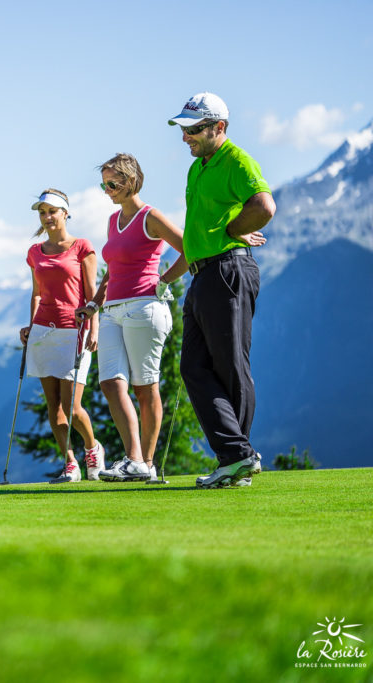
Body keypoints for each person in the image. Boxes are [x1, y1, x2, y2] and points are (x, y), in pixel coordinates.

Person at [166, 92, 275, 488]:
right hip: (203, 275)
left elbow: (264, 205)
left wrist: (234, 230)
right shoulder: (198, 168)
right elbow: (201, 229)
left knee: (230, 366)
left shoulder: (237, 160)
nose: (186, 138)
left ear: (219, 128)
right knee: (193, 367)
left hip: (228, 270)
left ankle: (235, 459)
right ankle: (236, 457)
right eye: (184, 130)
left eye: (193, 130)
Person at [74, 154, 188, 482]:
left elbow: (188, 247)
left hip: (145, 309)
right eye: (104, 184)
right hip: (112, 311)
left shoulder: (150, 217)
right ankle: (134, 459)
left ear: (131, 180)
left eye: (113, 183)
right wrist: (95, 304)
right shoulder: (113, 221)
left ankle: (146, 463)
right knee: (111, 384)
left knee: (144, 386)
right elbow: (113, 272)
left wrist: (164, 280)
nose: (107, 189)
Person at [20, 189, 105, 484]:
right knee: (54, 408)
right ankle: (70, 464)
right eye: (42, 213)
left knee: (72, 406)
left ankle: (92, 448)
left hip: (76, 331)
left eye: (52, 211)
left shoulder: (82, 247)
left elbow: (92, 294)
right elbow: (36, 294)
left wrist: (94, 328)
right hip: (44, 332)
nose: (47, 217)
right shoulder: (34, 253)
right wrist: (30, 327)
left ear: (65, 213)